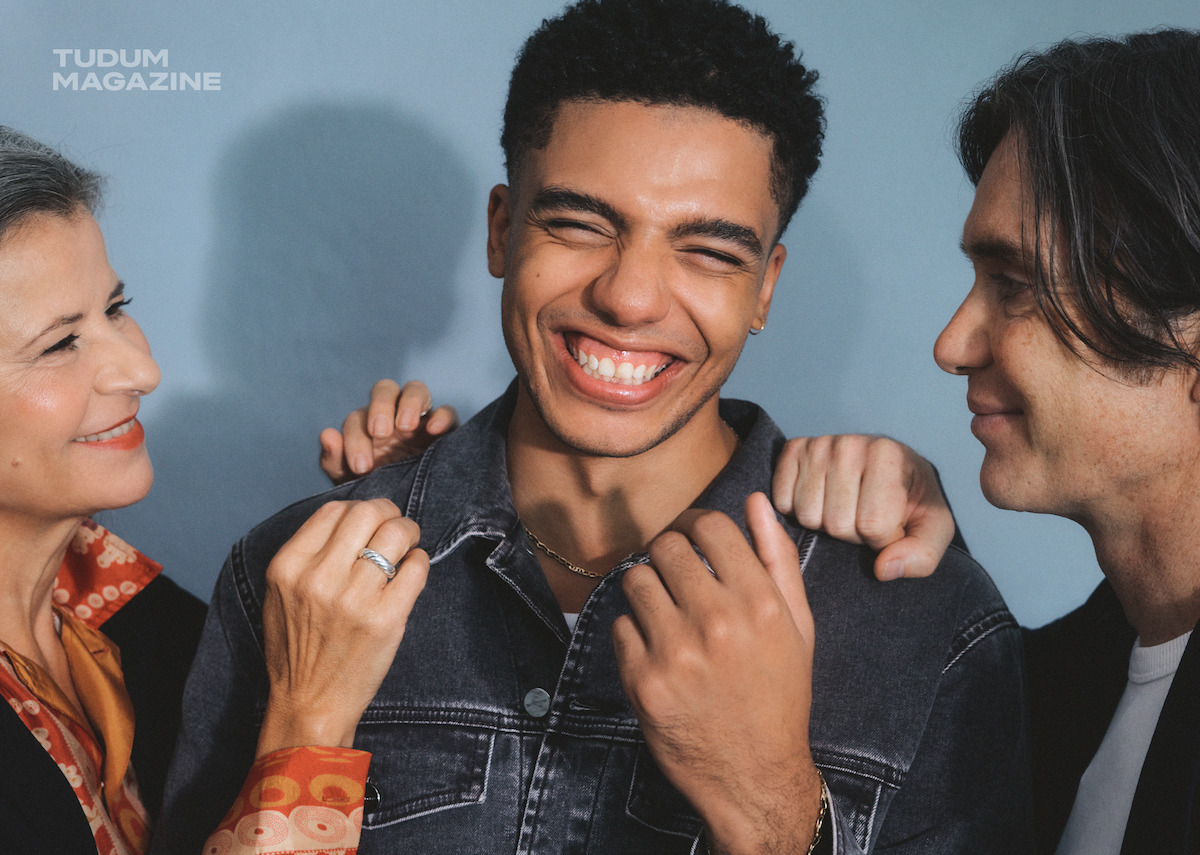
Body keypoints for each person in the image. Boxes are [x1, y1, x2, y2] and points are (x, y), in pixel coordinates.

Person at [156, 1, 1030, 853]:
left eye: (710, 251)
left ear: (765, 286)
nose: (630, 296)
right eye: (580, 224)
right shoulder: (294, 578)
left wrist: (772, 807)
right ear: (502, 232)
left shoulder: (927, 629)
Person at [768, 29, 1200, 855]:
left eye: (1013, 284)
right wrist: (941, 593)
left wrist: (771, 819)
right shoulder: (1074, 684)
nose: (953, 342)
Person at [0, 125, 454, 854]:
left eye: (115, 308)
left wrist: (397, 507)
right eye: (59, 343)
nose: (140, 370)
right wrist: (307, 728)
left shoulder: (127, 617)